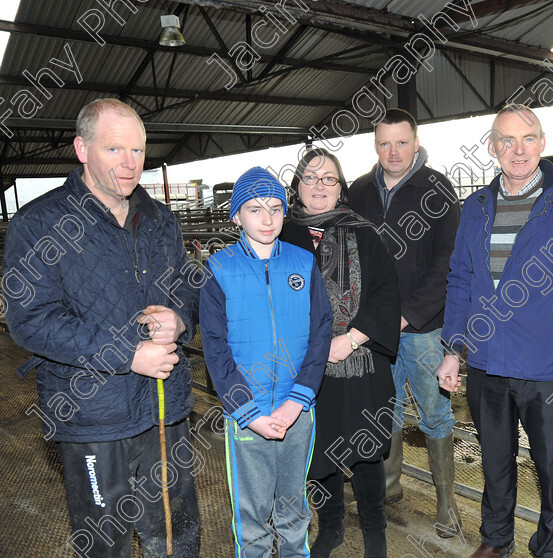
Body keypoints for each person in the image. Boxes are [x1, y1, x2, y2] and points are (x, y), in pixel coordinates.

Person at [3, 98, 201, 557]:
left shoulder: (159, 219)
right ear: (81, 149)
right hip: (90, 413)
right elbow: (30, 320)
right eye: (115, 150)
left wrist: (179, 317)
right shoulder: (39, 225)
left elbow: (190, 286)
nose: (130, 164)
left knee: (174, 531)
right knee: (104, 541)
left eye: (137, 150)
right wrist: (128, 354)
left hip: (163, 406)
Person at [437, 104, 553, 558]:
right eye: (507, 140)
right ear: (492, 147)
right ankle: (496, 540)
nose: (517, 150)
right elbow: (460, 279)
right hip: (486, 363)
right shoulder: (476, 206)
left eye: (527, 139)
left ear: (542, 143)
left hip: (547, 367)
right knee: (495, 464)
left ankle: (550, 550)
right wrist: (451, 349)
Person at [200, 166, 332, 557]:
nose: (268, 218)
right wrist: (247, 411)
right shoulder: (219, 269)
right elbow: (215, 348)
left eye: (275, 208)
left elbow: (320, 331)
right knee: (252, 513)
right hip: (248, 413)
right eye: (255, 209)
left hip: (297, 409)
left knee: (293, 508)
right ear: (236, 215)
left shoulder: (303, 263)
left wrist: (298, 400)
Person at [347, 108, 462, 537]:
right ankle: (390, 487)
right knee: (385, 410)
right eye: (384, 143)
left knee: (435, 413)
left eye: (401, 142)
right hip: (375, 328)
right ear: (374, 145)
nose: (393, 151)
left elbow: (447, 262)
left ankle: (447, 504)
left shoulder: (438, 188)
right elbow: (352, 258)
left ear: (415, 143)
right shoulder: (358, 192)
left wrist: (407, 313)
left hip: (425, 328)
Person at [281, 149, 400, 558]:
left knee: (367, 451)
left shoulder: (364, 233)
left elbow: (386, 296)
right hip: (304, 367)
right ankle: (330, 528)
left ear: (341, 189)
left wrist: (348, 339)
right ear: (297, 186)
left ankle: (374, 532)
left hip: (360, 359)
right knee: (317, 450)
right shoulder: (280, 235)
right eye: (311, 178)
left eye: (329, 179)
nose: (319, 186)